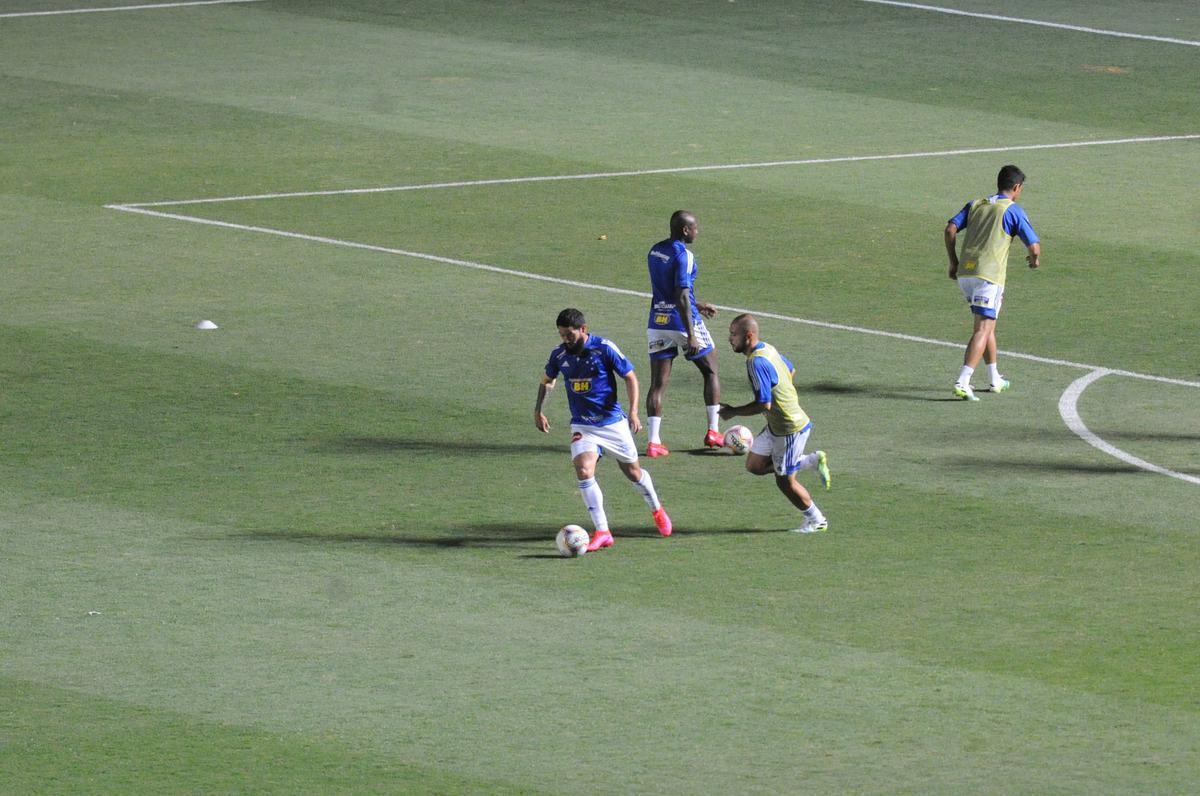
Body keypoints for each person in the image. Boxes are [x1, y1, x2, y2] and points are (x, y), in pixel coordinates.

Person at [535, 308, 673, 551]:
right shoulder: (559, 355)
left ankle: (657, 509)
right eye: (562, 335)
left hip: (612, 425)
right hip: (583, 426)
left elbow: (630, 377)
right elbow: (547, 381)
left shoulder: (604, 348)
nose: (566, 340)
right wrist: (538, 410)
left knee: (634, 474)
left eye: (570, 335)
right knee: (583, 469)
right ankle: (602, 531)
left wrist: (632, 412)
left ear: (583, 329)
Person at [719, 314, 831, 534]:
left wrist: (733, 412)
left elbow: (764, 404)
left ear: (748, 336)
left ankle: (817, 521)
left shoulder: (756, 362)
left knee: (785, 482)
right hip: (776, 425)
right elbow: (790, 369)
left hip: (789, 429)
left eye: (734, 334)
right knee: (754, 466)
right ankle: (810, 461)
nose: (730, 339)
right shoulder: (767, 349)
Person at [944, 164, 1041, 401]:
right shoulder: (1012, 210)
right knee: (982, 329)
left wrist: (954, 262)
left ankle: (994, 377)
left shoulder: (976, 204)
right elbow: (1034, 247)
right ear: (1016, 187)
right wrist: (1034, 261)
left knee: (989, 325)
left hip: (966, 275)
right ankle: (963, 381)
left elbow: (950, 229)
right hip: (988, 276)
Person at [644, 210, 722, 456]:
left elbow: (666, 291)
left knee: (658, 384)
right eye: (695, 228)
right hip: (681, 322)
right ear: (685, 230)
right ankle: (713, 431)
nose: (697, 231)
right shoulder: (684, 255)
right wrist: (691, 334)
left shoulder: (655, 251)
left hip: (657, 320)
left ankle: (654, 442)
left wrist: (698, 304)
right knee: (710, 370)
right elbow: (681, 294)